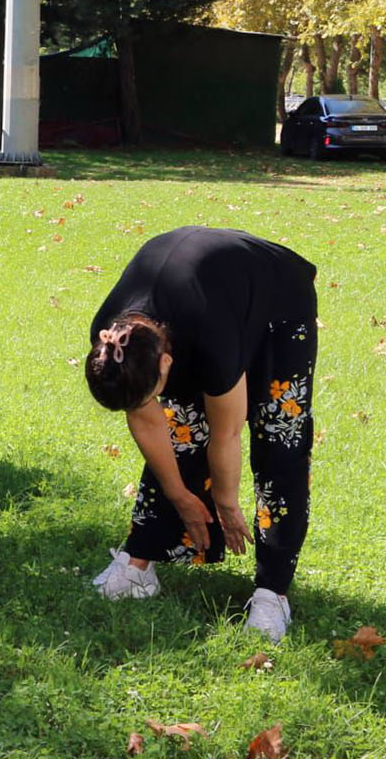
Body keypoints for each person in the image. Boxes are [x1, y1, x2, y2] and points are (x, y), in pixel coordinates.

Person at [82, 226, 318, 643]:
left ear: (167, 361)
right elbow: (147, 421)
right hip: (208, 298)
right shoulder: (112, 342)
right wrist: (180, 495)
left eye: (154, 392)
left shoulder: (209, 336)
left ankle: (271, 592)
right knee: (181, 427)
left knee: (279, 435)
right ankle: (140, 563)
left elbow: (226, 434)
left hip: (278, 300)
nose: (152, 403)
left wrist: (226, 503)